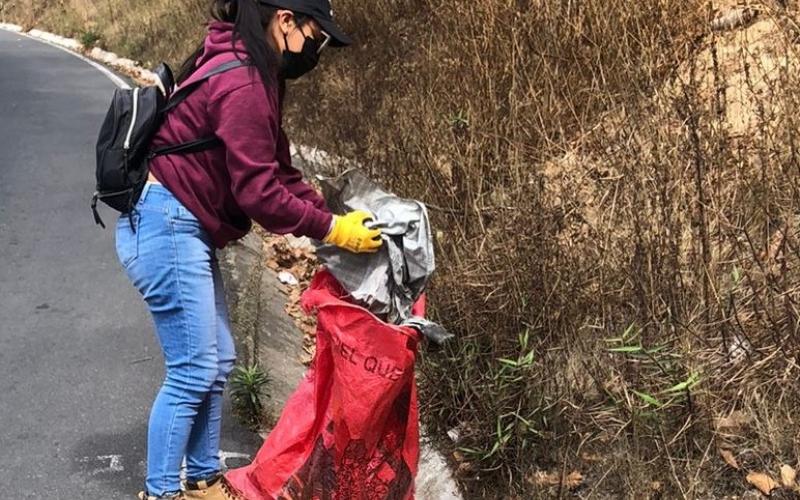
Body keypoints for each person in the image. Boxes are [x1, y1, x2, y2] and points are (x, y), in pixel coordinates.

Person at [113, 1, 382, 499]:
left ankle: (203, 482)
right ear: (284, 20)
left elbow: (278, 170)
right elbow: (259, 194)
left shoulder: (256, 70)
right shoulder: (243, 80)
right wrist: (332, 230)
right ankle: (160, 493)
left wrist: (330, 215)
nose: (317, 47)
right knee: (192, 369)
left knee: (216, 363)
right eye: (315, 33)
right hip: (166, 223)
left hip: (180, 224)